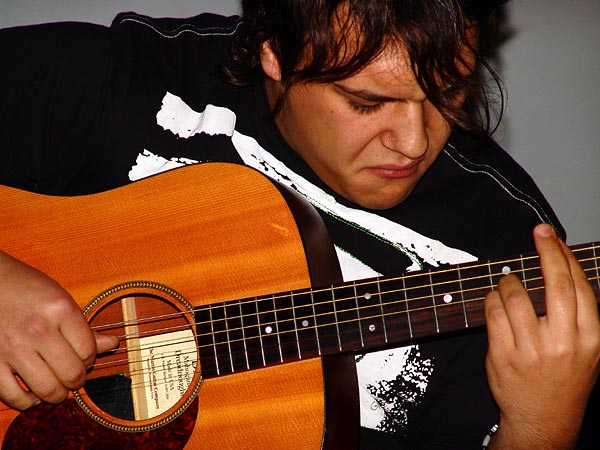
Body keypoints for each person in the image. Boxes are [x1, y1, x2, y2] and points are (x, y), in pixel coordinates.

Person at [0, 1, 598, 449]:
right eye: (366, 102)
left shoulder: (505, 241)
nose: (415, 141)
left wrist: (542, 424)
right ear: (275, 56)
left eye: (449, 93)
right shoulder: (135, 80)